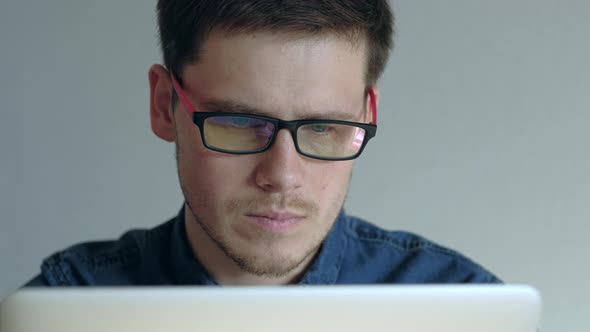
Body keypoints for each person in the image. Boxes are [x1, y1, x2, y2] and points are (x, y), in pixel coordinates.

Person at [25, 0, 499, 286]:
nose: (282, 176)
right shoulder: (66, 306)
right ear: (164, 103)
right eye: (240, 122)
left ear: (366, 115)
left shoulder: (472, 313)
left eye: (322, 127)